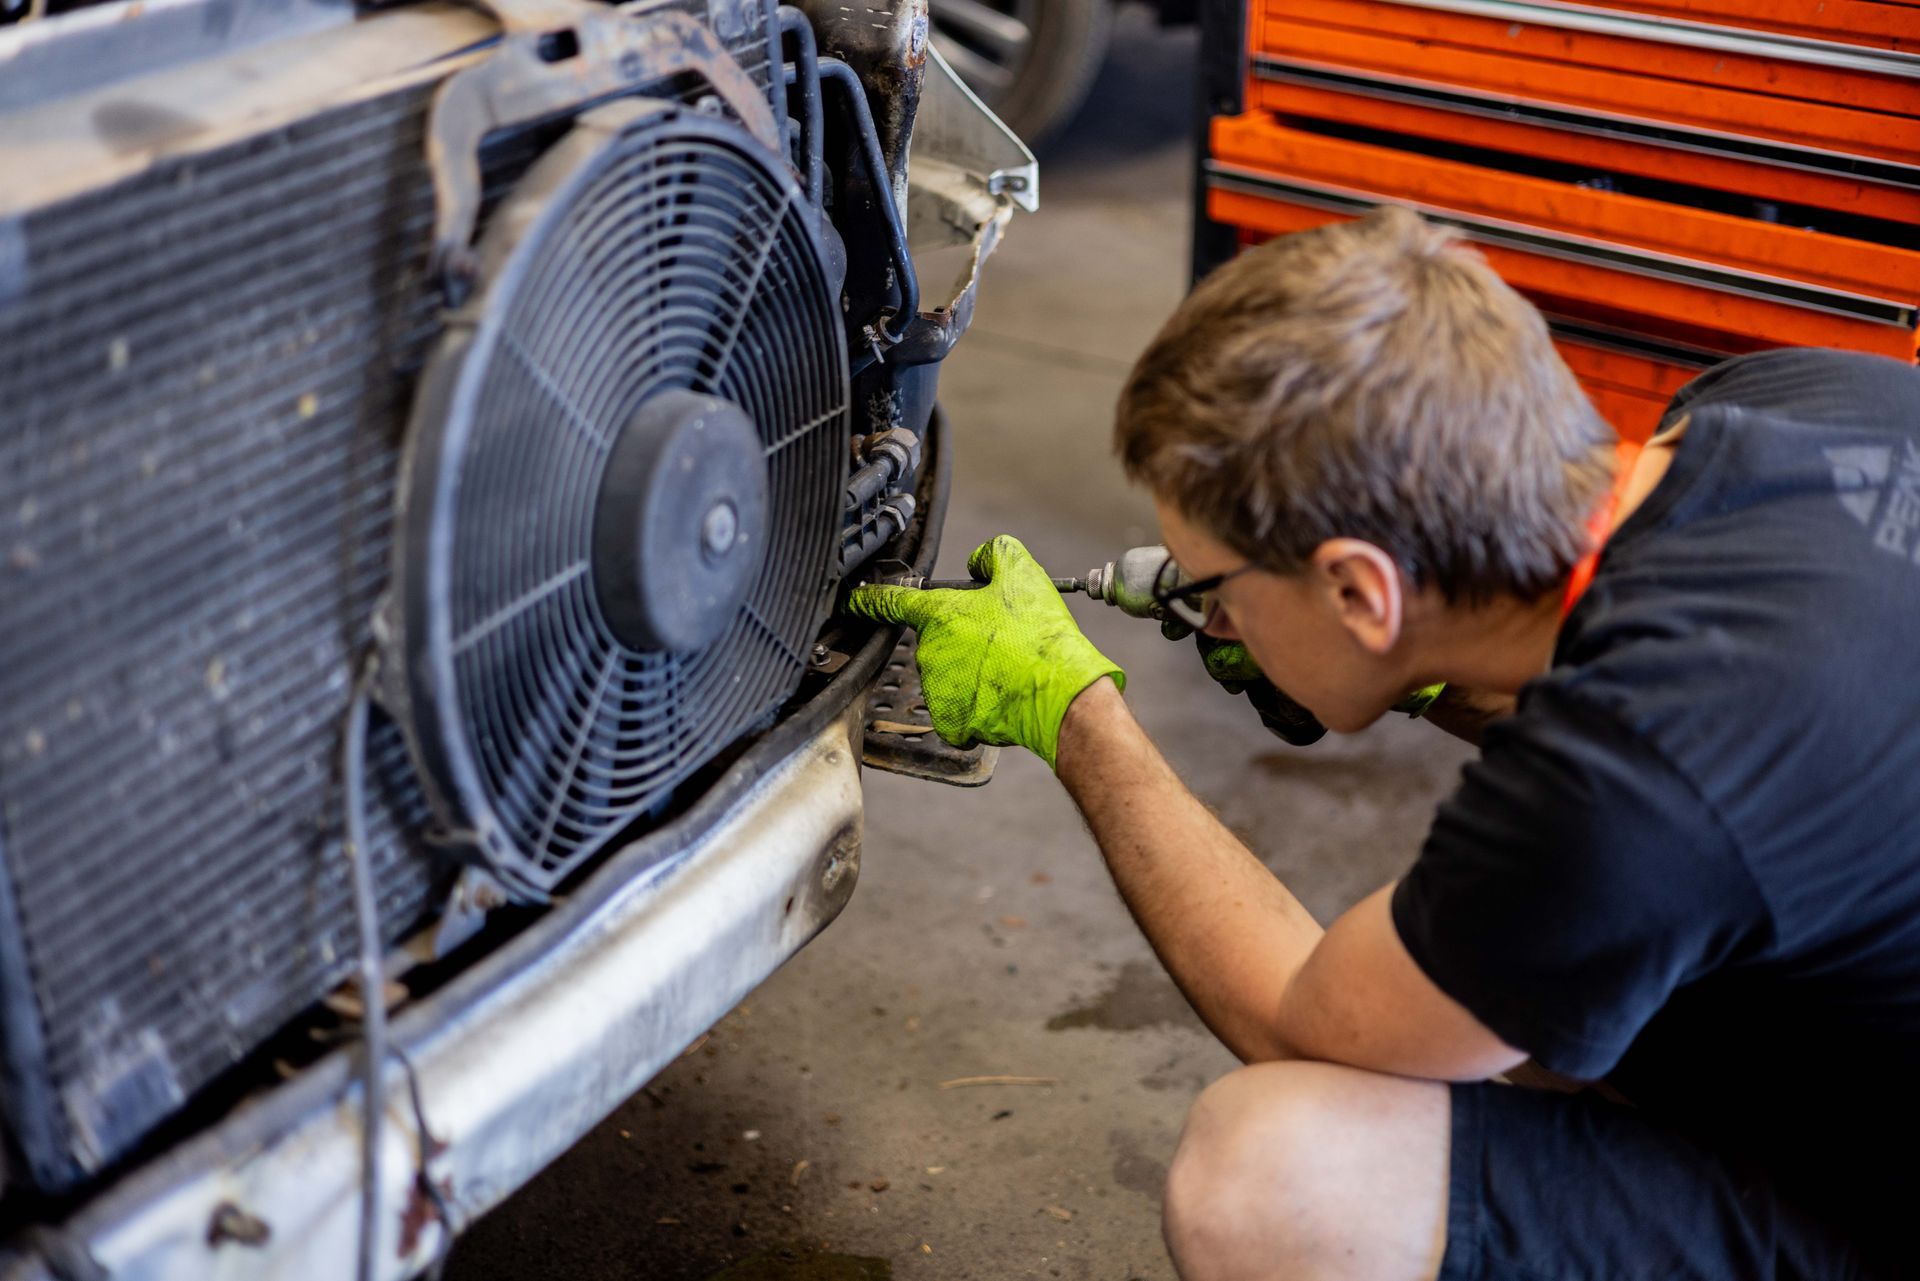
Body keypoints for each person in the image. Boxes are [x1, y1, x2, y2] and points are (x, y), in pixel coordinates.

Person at [845, 205, 1920, 1280]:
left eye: (1218, 590)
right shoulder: (1802, 399)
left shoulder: (1640, 787)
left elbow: (1304, 1017)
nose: (1207, 617)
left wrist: (1075, 712)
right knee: (1520, 993)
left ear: (1363, 589)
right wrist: (1415, 675)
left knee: (1274, 1173)